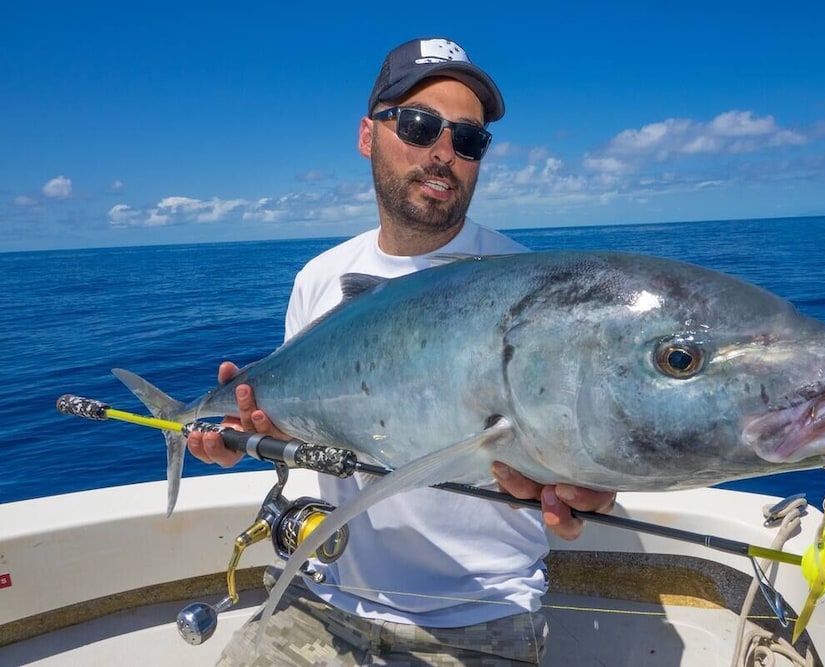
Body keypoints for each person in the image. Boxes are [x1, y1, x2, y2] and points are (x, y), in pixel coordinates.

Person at [188, 37, 616, 666]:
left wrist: (583, 495)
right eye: (419, 126)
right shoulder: (320, 278)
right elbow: (301, 423)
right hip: (324, 598)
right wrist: (245, 437)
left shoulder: (530, 288)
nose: (444, 152)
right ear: (368, 136)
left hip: (484, 617)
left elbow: (571, 458)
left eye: (469, 140)